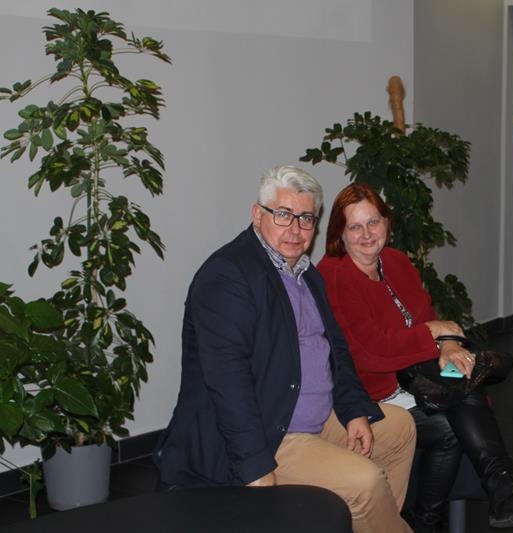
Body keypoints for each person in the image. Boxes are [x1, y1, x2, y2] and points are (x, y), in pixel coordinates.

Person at [154, 166, 416, 533]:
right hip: (271, 432)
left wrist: (354, 410)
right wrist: (255, 467)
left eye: (306, 218)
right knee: (366, 482)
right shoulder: (228, 275)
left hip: (316, 416)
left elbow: (335, 351)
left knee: (399, 428)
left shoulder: (306, 274)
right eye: (283, 214)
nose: (295, 229)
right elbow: (227, 381)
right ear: (257, 214)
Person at [317, 182, 513, 531]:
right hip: (371, 392)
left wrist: (449, 344)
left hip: (412, 378)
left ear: (387, 223)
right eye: (355, 226)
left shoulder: (396, 261)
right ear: (339, 234)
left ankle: (501, 493)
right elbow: (372, 351)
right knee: (454, 420)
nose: (367, 234)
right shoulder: (334, 275)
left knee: (463, 379)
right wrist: (434, 333)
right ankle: (457, 511)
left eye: (373, 222)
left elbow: (428, 318)